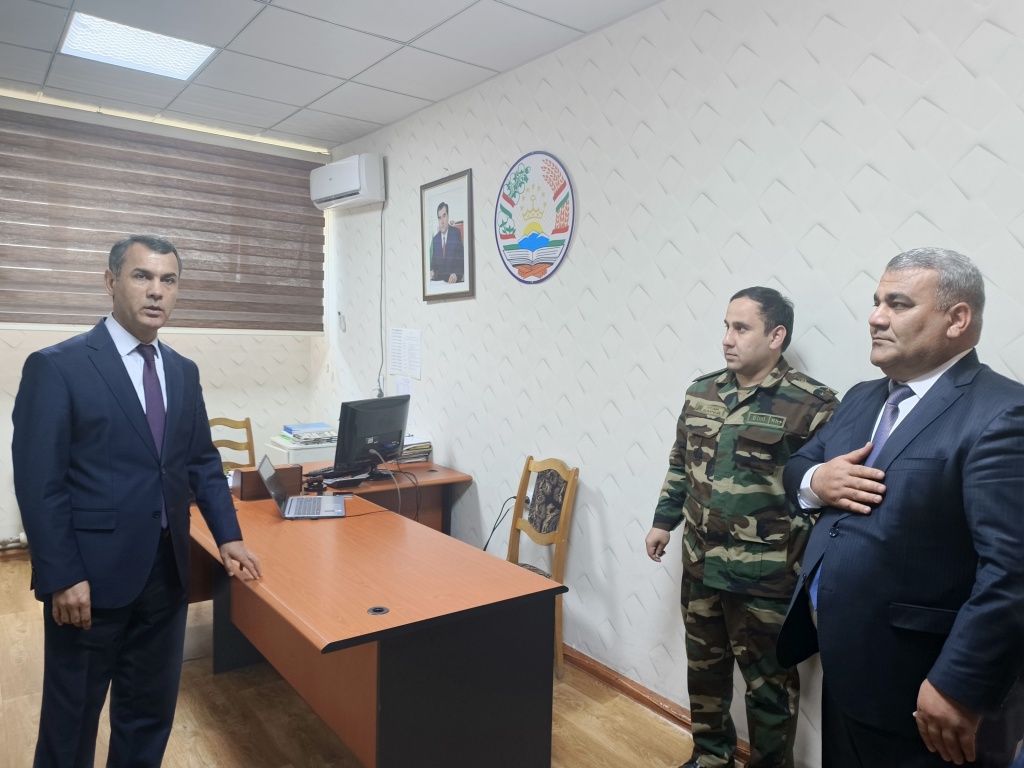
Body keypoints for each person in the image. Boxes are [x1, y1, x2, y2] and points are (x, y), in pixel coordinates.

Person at [12, 234, 262, 767]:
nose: (156, 291)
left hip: (166, 572)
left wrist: (229, 536)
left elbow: (201, 462)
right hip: (89, 582)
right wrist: (61, 575)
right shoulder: (58, 367)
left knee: (148, 714)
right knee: (70, 723)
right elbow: (40, 483)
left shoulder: (182, 370)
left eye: (168, 280)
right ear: (111, 282)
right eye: (142, 276)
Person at [776, 247, 1024, 767]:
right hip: (845, 663)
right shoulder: (862, 397)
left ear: (957, 319)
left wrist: (958, 683)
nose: (876, 317)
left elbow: (1012, 568)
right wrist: (819, 480)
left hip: (923, 685)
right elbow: (799, 466)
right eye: (876, 302)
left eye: (898, 304)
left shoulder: (1003, 412)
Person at [645, 287, 839, 768]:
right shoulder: (702, 392)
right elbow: (680, 464)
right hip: (700, 564)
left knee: (769, 688)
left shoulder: (812, 404)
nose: (727, 339)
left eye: (741, 328)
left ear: (776, 336)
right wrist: (663, 521)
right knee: (705, 672)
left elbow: (825, 496)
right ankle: (711, 756)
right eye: (726, 327)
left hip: (766, 576)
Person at [429, 201, 464, 283]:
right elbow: (433, 264)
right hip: (440, 284)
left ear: (448, 216)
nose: (442, 221)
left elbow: (462, 261)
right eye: (439, 218)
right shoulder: (435, 239)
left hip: (454, 283)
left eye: (444, 216)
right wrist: (432, 271)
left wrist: (455, 274)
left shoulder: (456, 233)